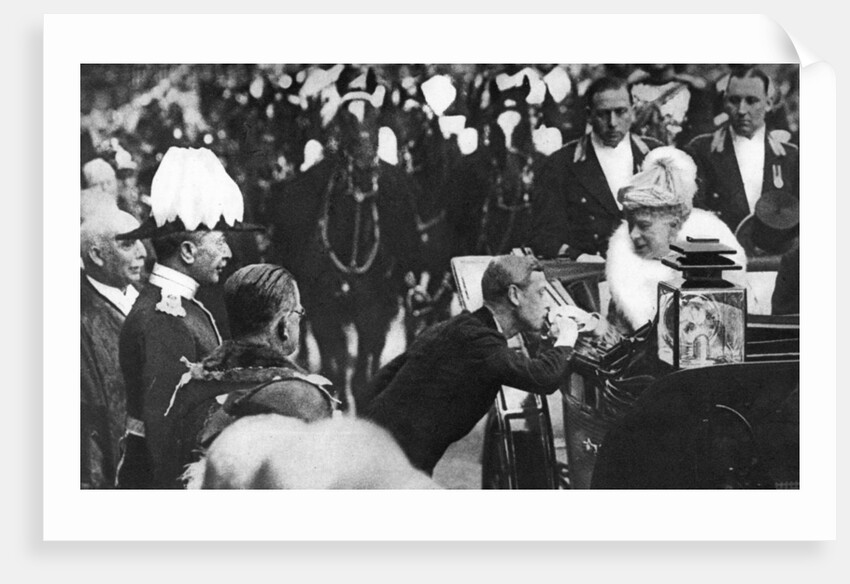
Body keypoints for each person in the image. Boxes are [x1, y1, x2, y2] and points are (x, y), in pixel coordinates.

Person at [117, 146, 261, 488]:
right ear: (187, 251)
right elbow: (167, 435)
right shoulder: (164, 318)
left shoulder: (181, 307)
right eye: (220, 240)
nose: (227, 252)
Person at [362, 255, 579, 476]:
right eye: (541, 293)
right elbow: (544, 378)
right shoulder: (481, 344)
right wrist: (568, 336)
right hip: (391, 467)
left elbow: (382, 379)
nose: (548, 304)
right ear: (514, 295)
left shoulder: (459, 327)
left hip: (374, 449)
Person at [162, 264, 338, 485]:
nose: (299, 320)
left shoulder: (189, 385)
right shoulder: (303, 397)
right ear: (283, 324)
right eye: (298, 313)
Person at [605, 146, 747, 335]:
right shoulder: (625, 268)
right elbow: (617, 344)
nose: (633, 235)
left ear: (675, 225)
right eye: (630, 224)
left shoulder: (714, 259)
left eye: (644, 225)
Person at [529, 76, 663, 260]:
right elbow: (543, 237)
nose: (612, 123)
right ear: (589, 115)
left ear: (632, 112)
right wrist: (579, 257)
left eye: (621, 112)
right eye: (603, 114)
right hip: (590, 275)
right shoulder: (561, 164)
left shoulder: (656, 156)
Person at [686, 67, 799, 234]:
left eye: (752, 101)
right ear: (724, 102)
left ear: (768, 104)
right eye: (734, 100)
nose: (741, 110)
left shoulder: (790, 157)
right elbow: (695, 214)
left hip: (775, 256)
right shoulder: (702, 151)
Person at [80, 207, 147, 488]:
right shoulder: (81, 319)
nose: (142, 252)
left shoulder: (145, 294)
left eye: (141, 240)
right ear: (97, 255)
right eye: (128, 243)